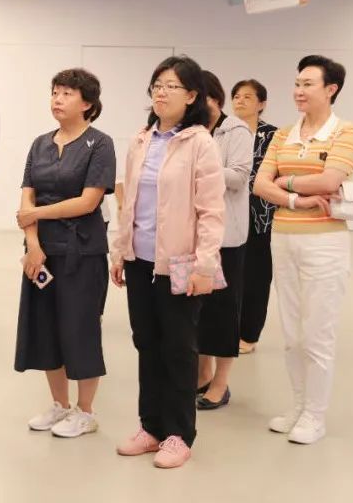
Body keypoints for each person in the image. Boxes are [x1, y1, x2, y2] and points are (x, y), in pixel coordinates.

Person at [109, 55, 225, 469]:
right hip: (139, 259)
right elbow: (129, 203)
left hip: (180, 262)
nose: (160, 92)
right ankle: (151, 426)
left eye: (170, 86)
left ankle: (179, 434)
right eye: (157, 84)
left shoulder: (200, 143)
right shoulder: (141, 139)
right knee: (147, 344)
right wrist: (120, 250)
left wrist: (205, 266)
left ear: (192, 96)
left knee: (178, 348)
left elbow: (211, 211)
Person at [254, 55, 353, 445]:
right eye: (297, 83)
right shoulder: (284, 134)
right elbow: (259, 185)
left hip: (325, 243)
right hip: (283, 237)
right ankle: (298, 406)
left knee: (317, 333)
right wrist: (297, 196)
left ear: (331, 89)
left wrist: (285, 180)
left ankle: (316, 415)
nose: (298, 91)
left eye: (308, 84)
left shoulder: (345, 132)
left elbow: (331, 180)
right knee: (292, 333)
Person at [14, 69, 115, 439]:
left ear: (87, 103)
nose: (57, 99)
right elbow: (27, 195)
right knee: (45, 328)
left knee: (80, 329)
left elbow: (88, 202)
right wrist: (33, 244)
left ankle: (85, 411)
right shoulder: (40, 143)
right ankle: (59, 404)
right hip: (42, 251)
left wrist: (37, 215)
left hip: (82, 251)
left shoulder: (99, 144)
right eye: (55, 92)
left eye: (67, 93)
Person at [196, 71, 253, 410]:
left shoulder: (236, 130)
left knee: (223, 311)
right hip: (195, 235)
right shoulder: (192, 129)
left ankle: (221, 382)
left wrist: (200, 170)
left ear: (215, 99)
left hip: (227, 237)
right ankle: (202, 373)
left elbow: (239, 176)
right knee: (197, 309)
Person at [231, 79, 277, 354]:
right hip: (227, 213)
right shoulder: (224, 131)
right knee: (228, 274)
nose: (240, 100)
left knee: (256, 277)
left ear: (261, 104)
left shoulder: (273, 136)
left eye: (247, 97)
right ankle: (226, 330)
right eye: (236, 96)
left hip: (259, 215)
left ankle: (249, 334)